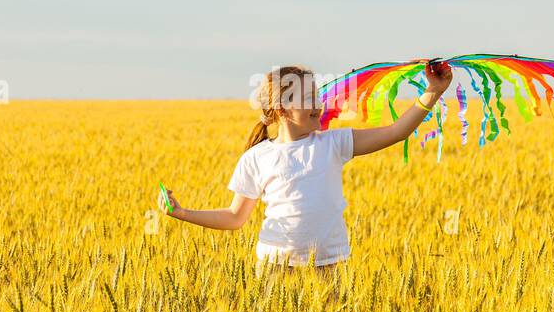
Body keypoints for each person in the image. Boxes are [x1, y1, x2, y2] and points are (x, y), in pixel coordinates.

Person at [159, 62, 452, 275]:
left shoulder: (334, 143)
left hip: (329, 266)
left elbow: (396, 132)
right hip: (274, 268)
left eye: (318, 96)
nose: (320, 105)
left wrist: (433, 92)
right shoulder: (256, 157)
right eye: (309, 98)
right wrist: (182, 213)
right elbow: (235, 217)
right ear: (283, 109)